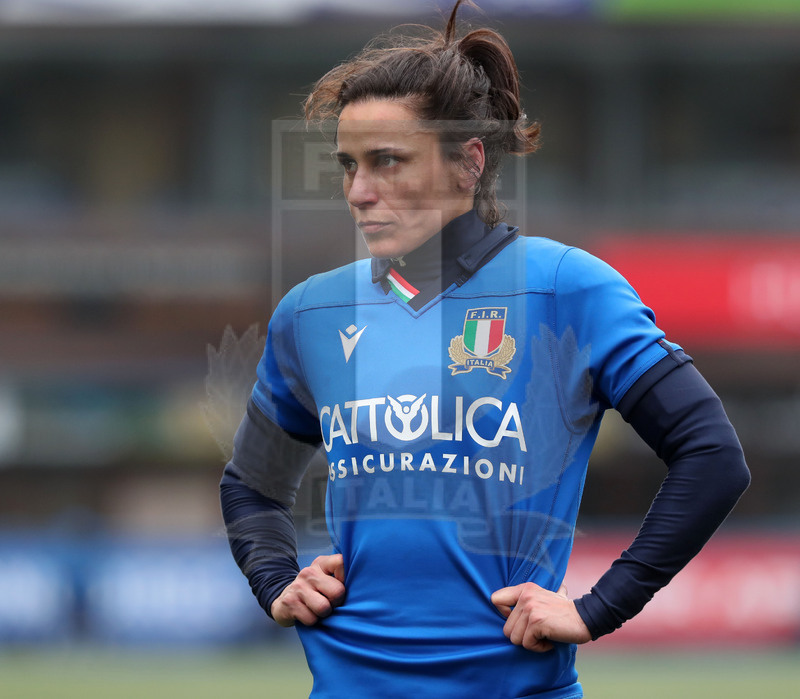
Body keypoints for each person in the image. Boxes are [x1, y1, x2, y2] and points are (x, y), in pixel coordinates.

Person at [220, 2, 750, 696]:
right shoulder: (312, 311)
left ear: (469, 162)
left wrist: (599, 606)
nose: (358, 191)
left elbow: (712, 455)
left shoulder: (567, 289)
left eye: (387, 162)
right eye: (349, 164)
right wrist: (277, 581)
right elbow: (251, 486)